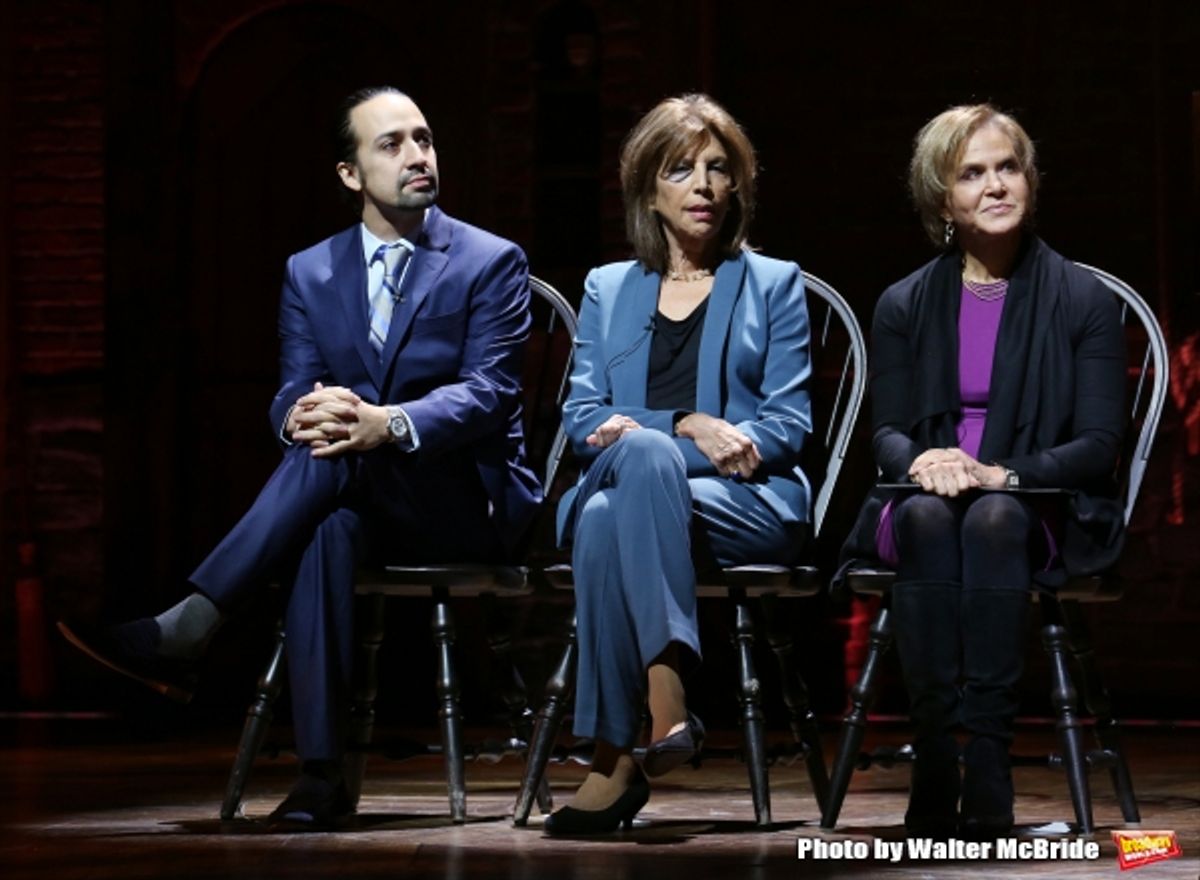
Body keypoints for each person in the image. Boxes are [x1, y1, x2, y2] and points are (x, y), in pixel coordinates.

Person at [59, 86, 541, 829]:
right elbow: (290, 386)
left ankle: (194, 622)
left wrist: (386, 422)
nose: (418, 155)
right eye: (392, 144)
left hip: (460, 502)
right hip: (358, 492)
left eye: (424, 138)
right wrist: (301, 413)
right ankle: (321, 778)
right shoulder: (309, 271)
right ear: (350, 174)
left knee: (339, 457)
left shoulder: (489, 260)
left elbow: (492, 393)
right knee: (327, 521)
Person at [839, 104, 1126, 839]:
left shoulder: (1083, 299)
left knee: (994, 517)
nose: (995, 186)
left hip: (1033, 499)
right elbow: (889, 433)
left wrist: (1006, 476)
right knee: (930, 516)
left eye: (1008, 168)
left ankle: (989, 763)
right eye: (972, 173)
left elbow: (1098, 443)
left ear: (1031, 179)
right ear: (942, 197)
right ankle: (936, 757)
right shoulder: (904, 303)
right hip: (927, 492)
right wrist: (923, 460)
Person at [546, 94, 813, 835]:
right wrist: (685, 425)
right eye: (681, 169)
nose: (702, 185)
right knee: (638, 464)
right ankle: (665, 706)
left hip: (743, 503)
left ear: (737, 187)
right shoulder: (607, 288)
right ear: (648, 189)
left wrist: (659, 443)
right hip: (634, 477)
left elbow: (788, 427)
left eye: (718, 169)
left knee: (608, 511)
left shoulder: (773, 283)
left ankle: (614, 757)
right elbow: (581, 419)